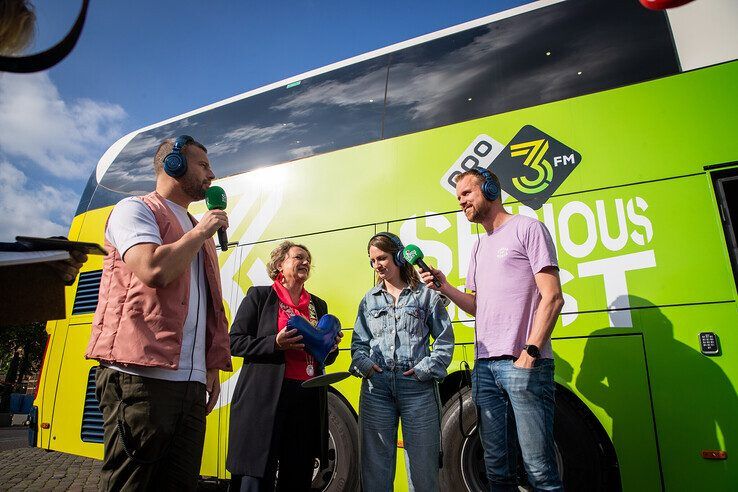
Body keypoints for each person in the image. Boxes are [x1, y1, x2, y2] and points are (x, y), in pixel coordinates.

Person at [85, 135, 232, 491]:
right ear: (173, 165)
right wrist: (201, 231)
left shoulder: (198, 230)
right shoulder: (134, 210)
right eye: (203, 165)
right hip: (141, 381)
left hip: (190, 387)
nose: (212, 175)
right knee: (131, 485)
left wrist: (209, 367)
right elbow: (153, 269)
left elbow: (207, 307)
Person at [420, 168, 564, 491]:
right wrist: (445, 286)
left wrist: (530, 354)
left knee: (539, 469)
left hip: (523, 364)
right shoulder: (478, 247)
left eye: (467, 194)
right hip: (484, 369)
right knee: (496, 469)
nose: (462, 203)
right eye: (458, 199)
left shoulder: (528, 229)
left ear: (489, 187)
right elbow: (475, 305)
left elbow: (553, 297)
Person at [227, 241, 343, 492]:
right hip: (265, 398)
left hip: (306, 397)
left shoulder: (318, 305)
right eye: (298, 257)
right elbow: (234, 342)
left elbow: (322, 356)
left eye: (308, 259)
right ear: (280, 264)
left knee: (299, 472)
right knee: (257, 474)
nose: (305, 262)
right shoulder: (259, 297)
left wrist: (330, 348)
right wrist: (274, 343)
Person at [351, 232, 454, 492]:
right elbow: (358, 344)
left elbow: (444, 342)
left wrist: (424, 370)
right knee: (375, 472)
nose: (378, 265)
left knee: (422, 472)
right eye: (373, 261)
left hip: (417, 389)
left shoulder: (426, 296)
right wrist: (364, 365)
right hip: (377, 390)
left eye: (382, 258)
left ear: (399, 256)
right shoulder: (369, 300)